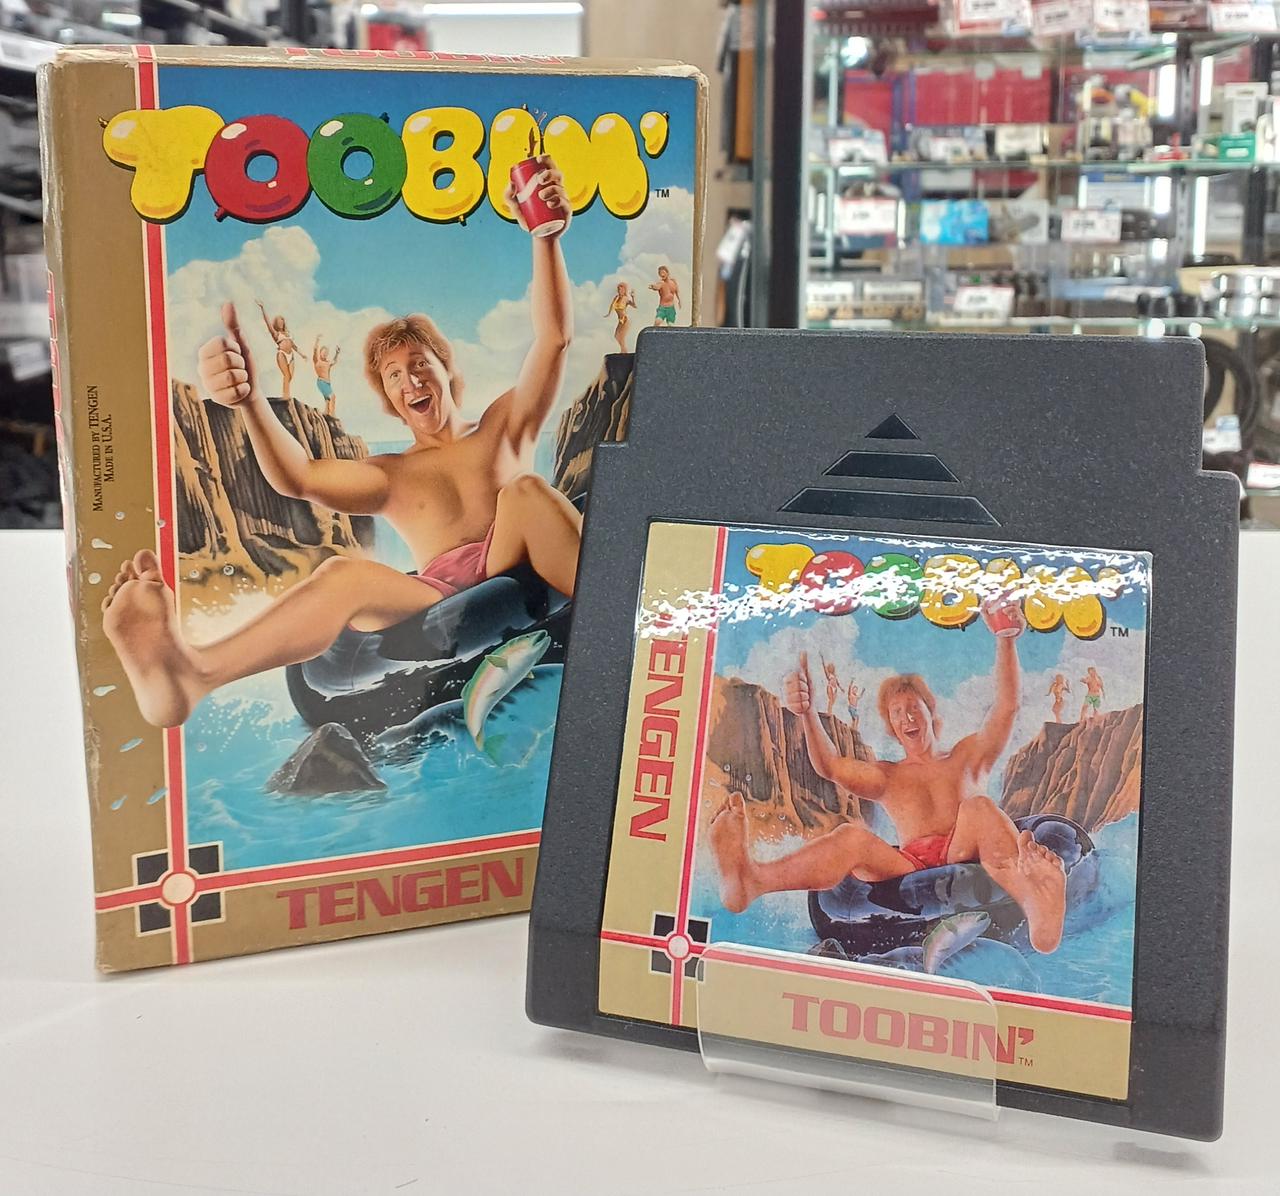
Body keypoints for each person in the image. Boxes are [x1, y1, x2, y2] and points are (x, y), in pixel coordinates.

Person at [101, 155, 581, 731]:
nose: (411, 381)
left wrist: (545, 237)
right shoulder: (390, 475)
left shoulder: (504, 426)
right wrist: (250, 402)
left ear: (447, 370)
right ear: (389, 399)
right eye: (395, 376)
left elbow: (554, 339)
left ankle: (624, 620)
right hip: (436, 600)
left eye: (420, 364)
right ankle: (193, 672)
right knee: (341, 574)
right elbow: (299, 477)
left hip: (509, 558)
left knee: (526, 491)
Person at [709, 601, 1067, 953]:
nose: (907, 718)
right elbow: (830, 766)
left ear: (931, 713)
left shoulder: (968, 756)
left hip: (965, 849)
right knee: (851, 837)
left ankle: (1035, 900)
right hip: (909, 867)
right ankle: (753, 879)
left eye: (914, 708)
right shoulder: (887, 776)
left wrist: (1005, 639)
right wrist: (807, 714)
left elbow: (1006, 707)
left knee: (979, 807)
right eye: (897, 713)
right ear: (892, 728)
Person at [255, 300, 297, 400]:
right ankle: (286, 396)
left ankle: (286, 394)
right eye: (279, 322)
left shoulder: (288, 333)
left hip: (291, 355)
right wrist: (262, 308)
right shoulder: (275, 334)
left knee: (290, 376)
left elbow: (293, 345)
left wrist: (302, 354)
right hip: (282, 354)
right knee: (286, 375)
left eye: (282, 321)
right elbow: (268, 323)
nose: (281, 323)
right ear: (276, 324)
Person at [312, 335, 341, 417]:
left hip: (327, 384)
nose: (325, 354)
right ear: (320, 353)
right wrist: (317, 340)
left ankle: (327, 413)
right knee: (332, 397)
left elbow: (334, 361)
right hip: (321, 382)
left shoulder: (327, 363)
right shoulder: (317, 361)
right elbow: (314, 350)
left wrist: (337, 353)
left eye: (326, 353)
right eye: (323, 352)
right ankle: (332, 414)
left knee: (327, 400)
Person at [605, 282, 636, 352]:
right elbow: (612, 305)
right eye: (618, 289)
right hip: (620, 320)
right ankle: (622, 352)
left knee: (621, 338)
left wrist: (633, 297)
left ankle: (624, 353)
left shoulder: (625, 298)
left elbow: (634, 306)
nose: (619, 291)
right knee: (616, 336)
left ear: (624, 290)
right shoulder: (616, 298)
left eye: (621, 289)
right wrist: (608, 314)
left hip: (625, 319)